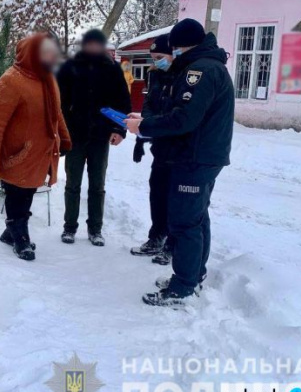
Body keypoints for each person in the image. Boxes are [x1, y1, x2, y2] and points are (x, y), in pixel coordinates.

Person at [124, 18, 235, 306]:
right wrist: (146, 120)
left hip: (195, 157)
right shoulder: (210, 65)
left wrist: (144, 127)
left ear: (182, 46)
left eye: (173, 48)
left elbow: (184, 118)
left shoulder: (200, 70)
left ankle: (182, 287)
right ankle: (193, 275)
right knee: (197, 218)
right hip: (202, 154)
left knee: (185, 223)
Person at [0, 33, 71, 261]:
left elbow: (56, 112)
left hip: (41, 152)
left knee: (28, 190)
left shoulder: (48, 78)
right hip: (18, 152)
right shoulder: (11, 80)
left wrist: (64, 136)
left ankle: (12, 231)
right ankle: (20, 236)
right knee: (17, 191)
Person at [57, 29, 131, 246]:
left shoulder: (112, 68)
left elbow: (123, 102)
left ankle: (95, 229)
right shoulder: (69, 68)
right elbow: (59, 102)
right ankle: (69, 227)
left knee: (97, 185)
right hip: (75, 135)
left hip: (100, 136)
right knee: (73, 183)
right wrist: (61, 131)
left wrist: (120, 130)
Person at [130, 34, 175, 262]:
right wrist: (141, 138)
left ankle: (172, 244)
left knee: (175, 198)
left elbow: (176, 115)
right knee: (157, 192)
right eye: (153, 57)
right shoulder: (154, 75)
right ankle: (156, 236)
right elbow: (149, 106)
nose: (156, 62)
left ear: (173, 54)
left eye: (160, 57)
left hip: (178, 147)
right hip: (160, 145)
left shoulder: (182, 76)